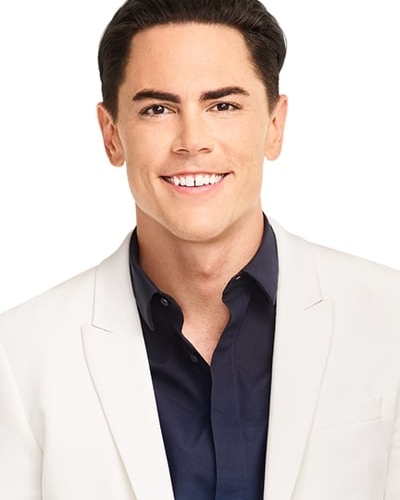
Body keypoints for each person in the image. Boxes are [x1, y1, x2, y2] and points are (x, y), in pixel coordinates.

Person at [0, 0, 399, 498]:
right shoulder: (18, 355)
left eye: (223, 105)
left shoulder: (390, 318)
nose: (192, 141)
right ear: (111, 135)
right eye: (158, 109)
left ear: (275, 125)